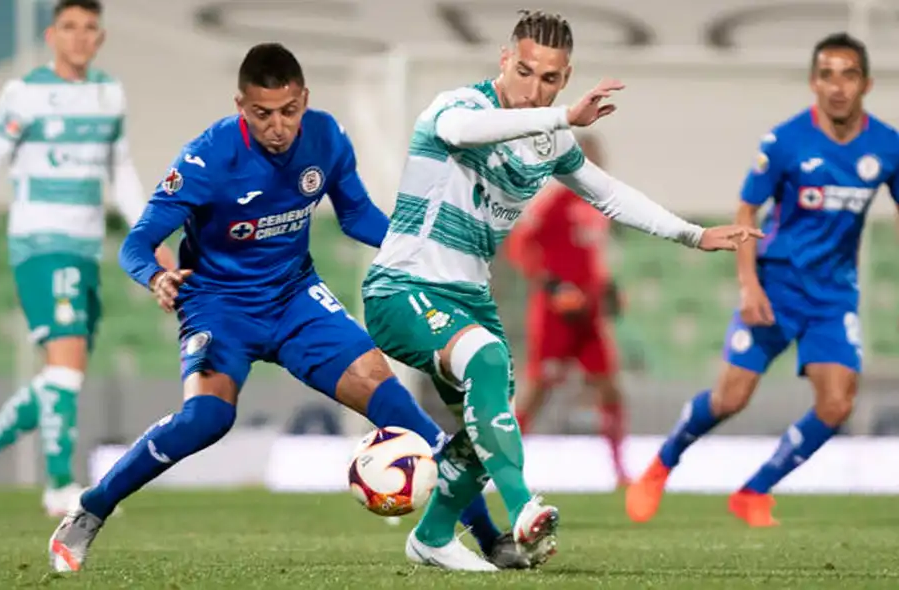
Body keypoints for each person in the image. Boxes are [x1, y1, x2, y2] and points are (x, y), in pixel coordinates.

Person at [46, 42, 525, 573]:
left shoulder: (325, 137)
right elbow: (136, 243)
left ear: (304, 100)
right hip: (218, 304)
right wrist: (157, 276)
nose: (278, 126)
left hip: (296, 298)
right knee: (206, 418)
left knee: (393, 402)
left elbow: (357, 215)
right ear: (241, 106)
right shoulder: (207, 159)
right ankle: (93, 507)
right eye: (263, 114)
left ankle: (488, 537)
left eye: (289, 111)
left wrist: (420, 250)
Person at [361, 9, 761, 572]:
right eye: (524, 72)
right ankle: (524, 510)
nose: (534, 88)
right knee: (489, 359)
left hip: (469, 300)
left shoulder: (548, 141)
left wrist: (693, 234)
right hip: (402, 288)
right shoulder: (458, 108)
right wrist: (558, 116)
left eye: (550, 79)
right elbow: (460, 135)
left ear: (566, 77)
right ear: (504, 60)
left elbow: (610, 195)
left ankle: (431, 537)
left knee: (486, 423)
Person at [626, 32, 899, 527]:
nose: (838, 86)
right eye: (828, 75)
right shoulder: (785, 142)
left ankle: (753, 491)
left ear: (866, 84)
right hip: (776, 285)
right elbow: (747, 209)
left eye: (849, 75)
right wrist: (749, 284)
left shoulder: (887, 146)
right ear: (814, 82)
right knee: (731, 398)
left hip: (834, 296)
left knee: (837, 404)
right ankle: (662, 462)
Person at [0, 0, 174, 518]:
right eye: (69, 27)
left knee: (60, 376)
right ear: (51, 35)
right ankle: (59, 487)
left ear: (100, 37)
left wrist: (150, 231)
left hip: (86, 248)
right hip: (40, 243)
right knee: (65, 367)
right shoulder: (25, 93)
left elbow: (121, 170)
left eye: (89, 28)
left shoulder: (109, 95)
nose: (79, 37)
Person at [504, 134, 630, 487]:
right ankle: (503, 463)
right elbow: (520, 247)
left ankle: (620, 470)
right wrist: (553, 285)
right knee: (539, 386)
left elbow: (591, 258)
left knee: (609, 387)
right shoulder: (552, 202)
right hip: (555, 312)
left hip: (590, 315)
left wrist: (608, 288)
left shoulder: (600, 206)